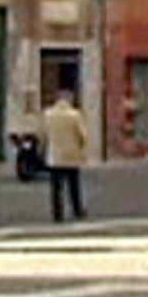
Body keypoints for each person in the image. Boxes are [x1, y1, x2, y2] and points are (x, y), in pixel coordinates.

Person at [41, 90, 91, 222]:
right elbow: (83, 135)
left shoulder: (49, 115)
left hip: (55, 156)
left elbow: (44, 134)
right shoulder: (75, 115)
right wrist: (82, 149)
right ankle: (77, 210)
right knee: (74, 186)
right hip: (71, 155)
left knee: (56, 188)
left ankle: (57, 213)